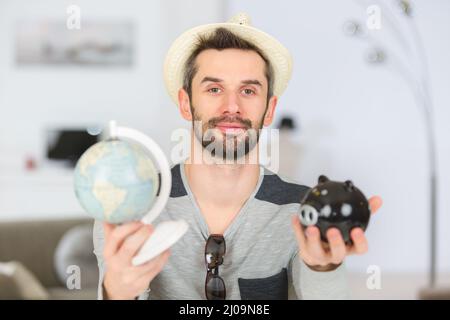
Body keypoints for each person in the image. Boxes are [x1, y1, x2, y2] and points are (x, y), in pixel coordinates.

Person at [93, 13, 382, 300]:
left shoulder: (302, 210)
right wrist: (116, 293)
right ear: (185, 103)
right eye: (214, 88)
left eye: (248, 90)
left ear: (269, 110)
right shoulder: (130, 206)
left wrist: (324, 268)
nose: (232, 106)